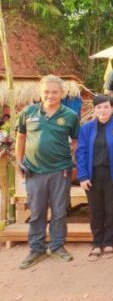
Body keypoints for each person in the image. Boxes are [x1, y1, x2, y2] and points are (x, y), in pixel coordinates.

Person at [16, 75, 80, 270]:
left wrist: (74, 165)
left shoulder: (70, 116)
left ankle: (57, 246)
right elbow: (21, 137)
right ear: (40, 92)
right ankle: (36, 248)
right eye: (46, 92)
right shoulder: (28, 112)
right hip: (34, 171)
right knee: (37, 212)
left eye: (54, 92)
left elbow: (75, 143)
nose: (50, 95)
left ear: (62, 93)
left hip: (60, 171)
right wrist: (19, 162)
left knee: (59, 211)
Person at [76, 95, 113, 260]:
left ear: (112, 108)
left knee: (111, 210)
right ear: (94, 109)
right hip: (92, 176)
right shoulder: (86, 128)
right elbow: (81, 152)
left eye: (106, 107)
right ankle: (97, 243)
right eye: (99, 107)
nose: (102, 110)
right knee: (95, 210)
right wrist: (82, 176)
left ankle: (109, 242)